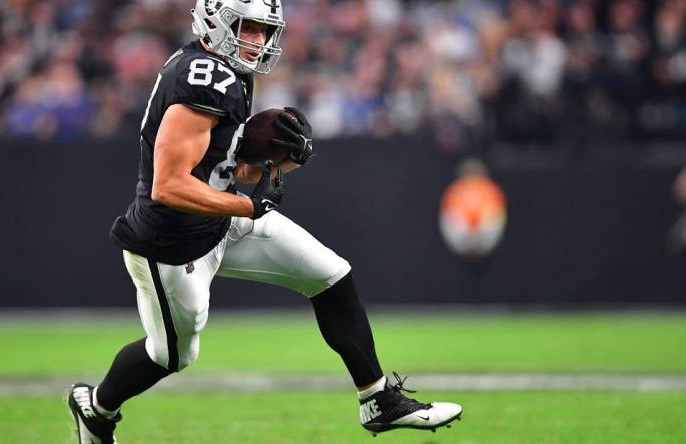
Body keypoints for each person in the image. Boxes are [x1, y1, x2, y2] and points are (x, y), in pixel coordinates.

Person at [67, 1, 462, 442]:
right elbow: (169, 186)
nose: (256, 41)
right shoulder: (203, 77)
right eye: (247, 28)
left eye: (263, 30)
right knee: (171, 355)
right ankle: (97, 408)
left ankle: (378, 400)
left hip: (216, 219)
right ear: (215, 21)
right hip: (172, 244)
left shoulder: (230, 70)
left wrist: (274, 162)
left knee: (330, 275)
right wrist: (251, 207)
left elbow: (225, 170)